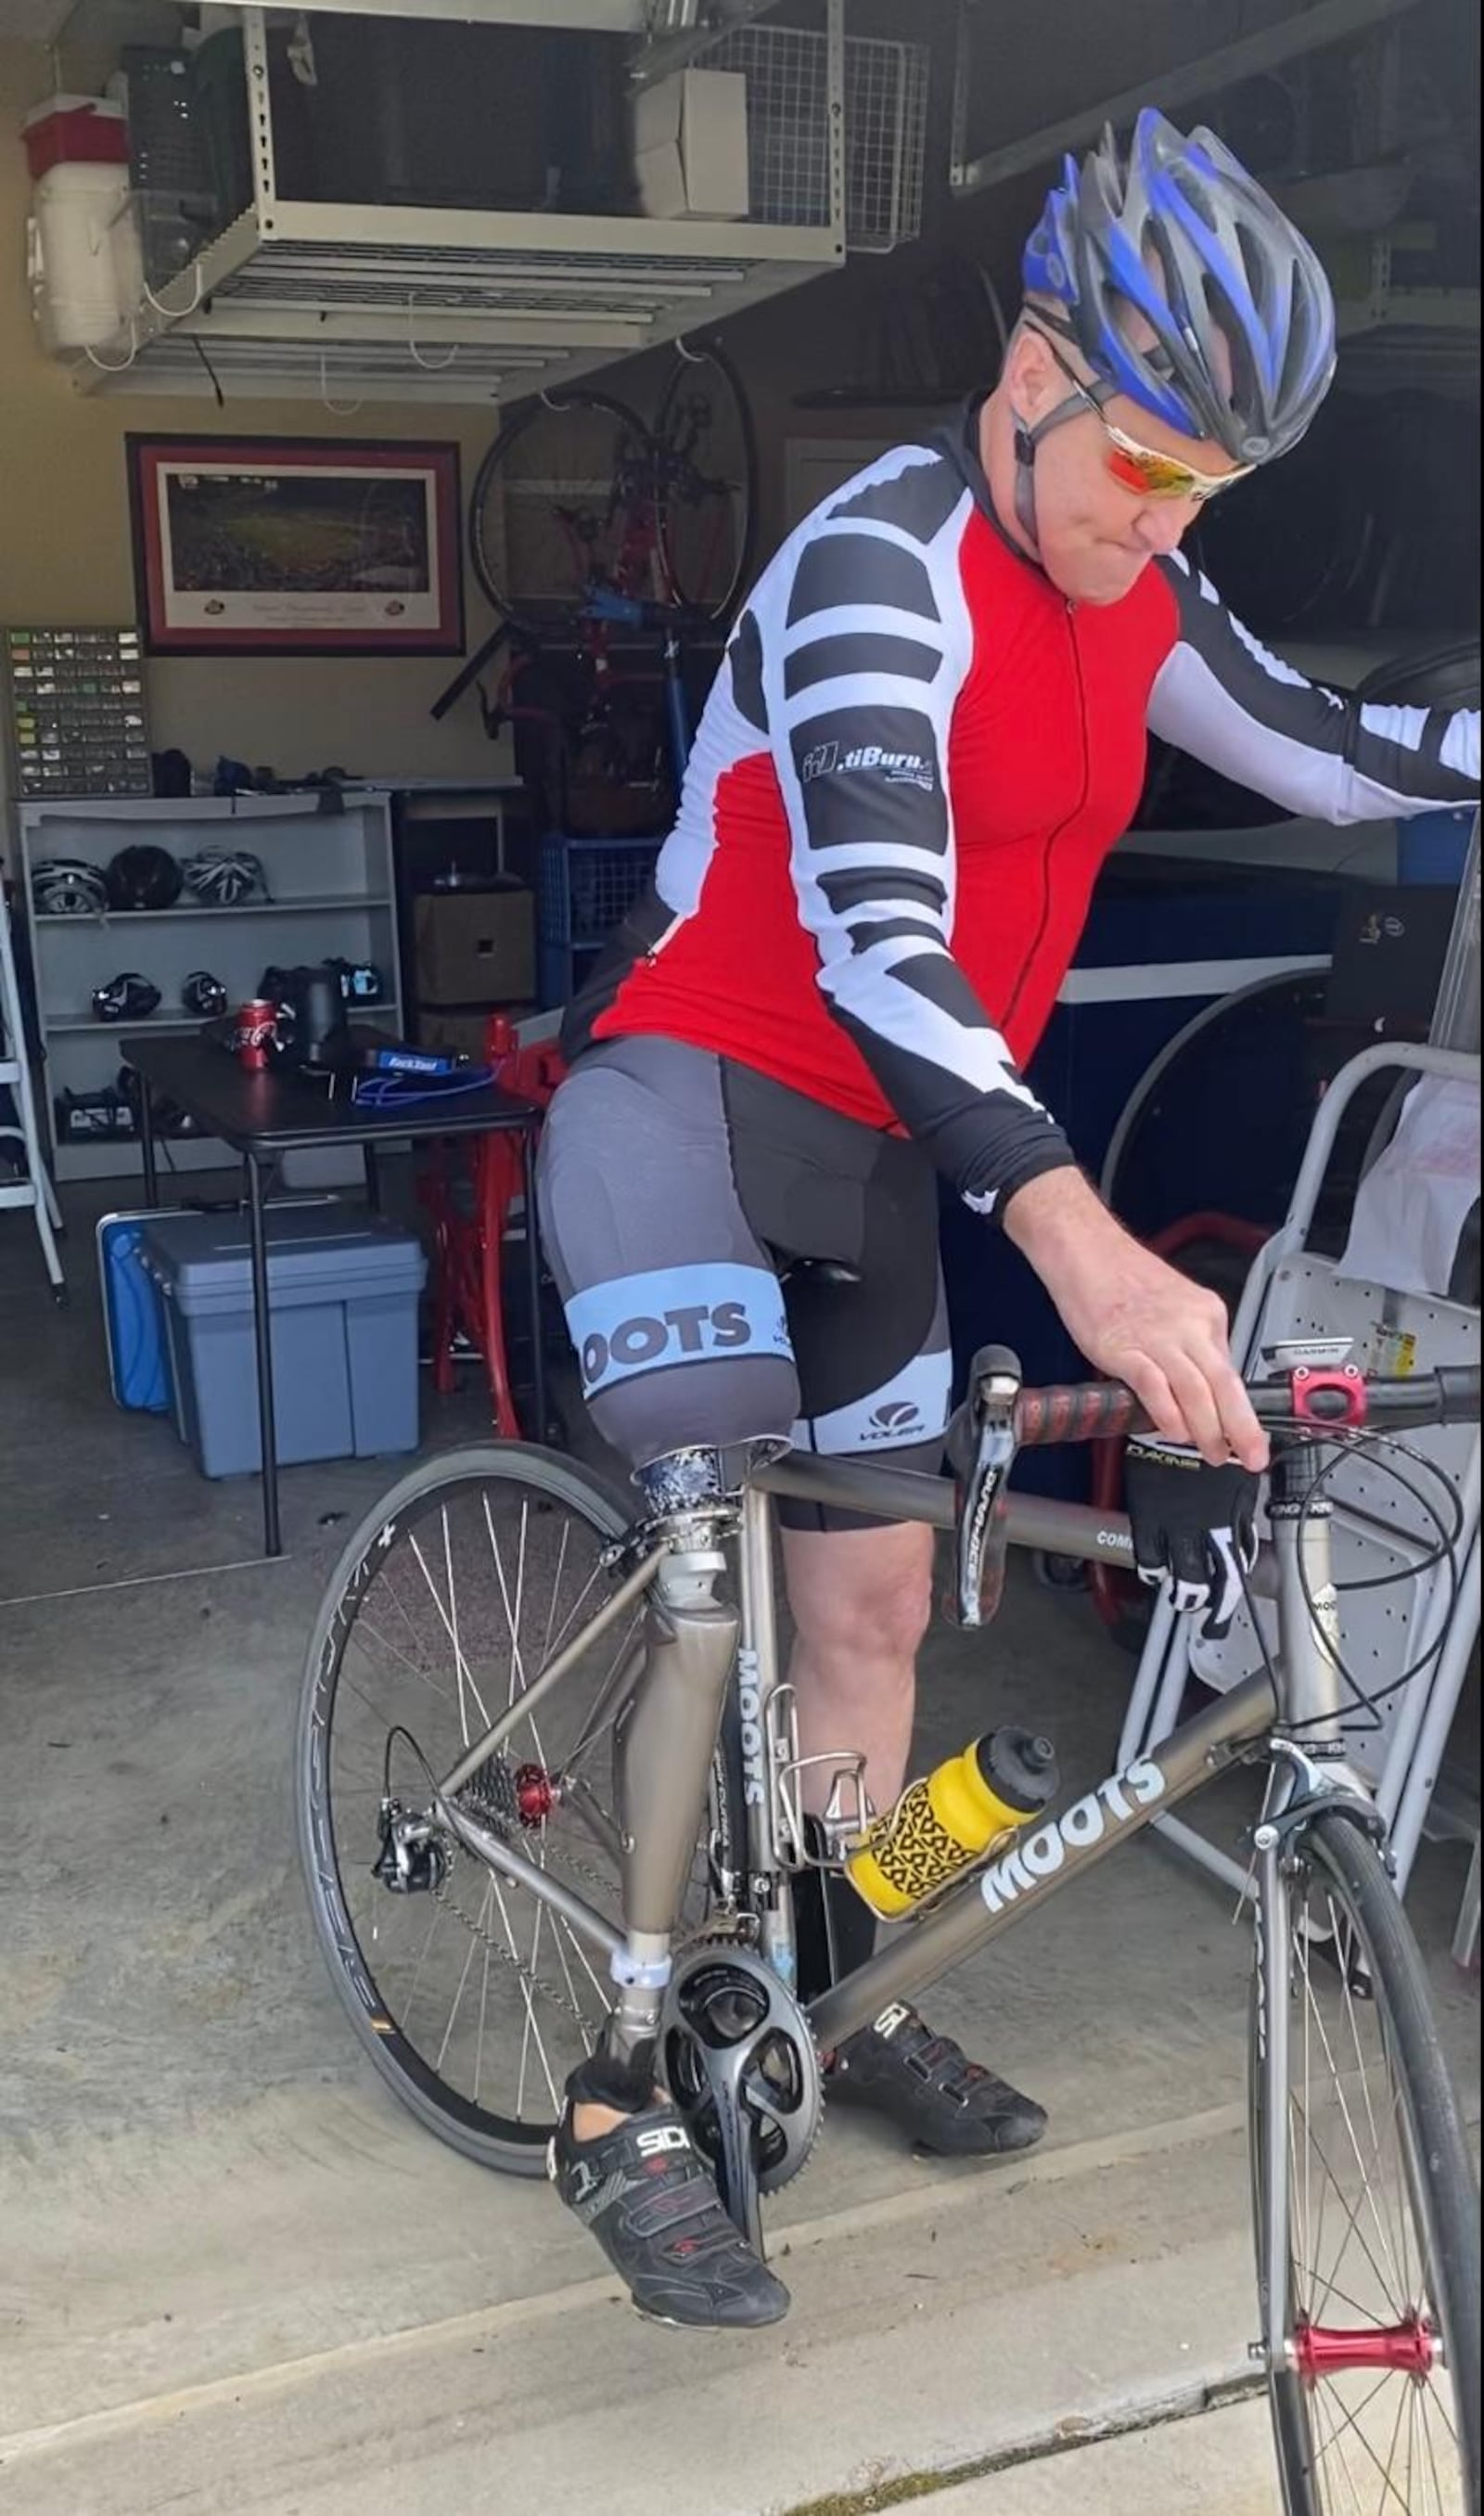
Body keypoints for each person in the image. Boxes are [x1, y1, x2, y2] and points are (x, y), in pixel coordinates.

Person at [535, 109, 1482, 2328]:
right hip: (688, 1099)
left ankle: (809, 2000)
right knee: (708, 1592)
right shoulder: (878, 564)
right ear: (1032, 365)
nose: (1159, 522)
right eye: (1142, 464)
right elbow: (880, 938)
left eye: (1204, 495)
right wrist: (1081, 1238)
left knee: (865, 1630)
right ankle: (616, 2084)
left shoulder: (1129, 579)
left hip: (882, 1156)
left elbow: (1337, 753)